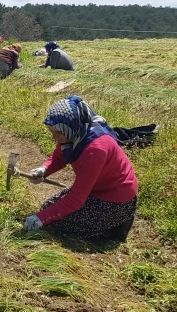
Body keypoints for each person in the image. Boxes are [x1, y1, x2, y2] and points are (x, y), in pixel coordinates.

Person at [23, 96, 138, 241]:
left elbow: (76, 199)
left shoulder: (95, 150)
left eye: (57, 133)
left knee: (56, 224)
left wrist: (41, 219)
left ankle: (114, 227)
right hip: (96, 188)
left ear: (70, 126)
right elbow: (59, 157)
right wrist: (43, 170)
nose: (54, 137)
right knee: (47, 208)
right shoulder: (75, 133)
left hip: (116, 199)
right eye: (52, 131)